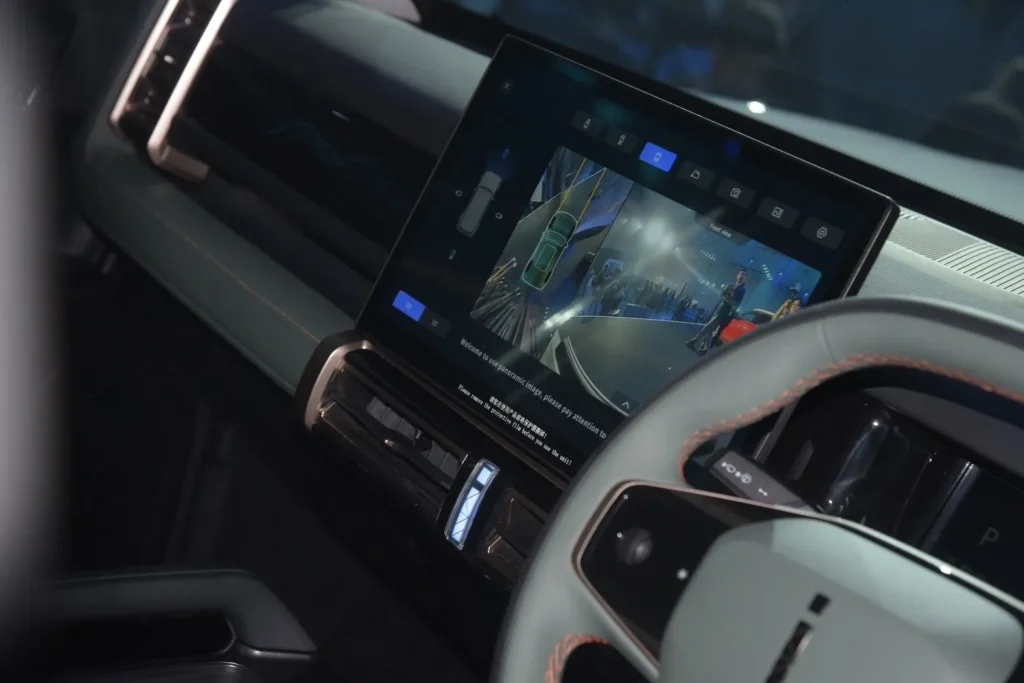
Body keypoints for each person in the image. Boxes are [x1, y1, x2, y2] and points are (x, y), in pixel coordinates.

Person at [687, 269, 747, 354]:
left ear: (745, 278)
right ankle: (703, 348)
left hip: (726, 314)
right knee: (710, 329)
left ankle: (696, 342)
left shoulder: (742, 290)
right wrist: (727, 296)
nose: (741, 276)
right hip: (720, 310)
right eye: (741, 274)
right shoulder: (731, 285)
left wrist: (730, 297)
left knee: (709, 327)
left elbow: (736, 304)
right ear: (737, 275)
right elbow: (722, 294)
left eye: (744, 275)